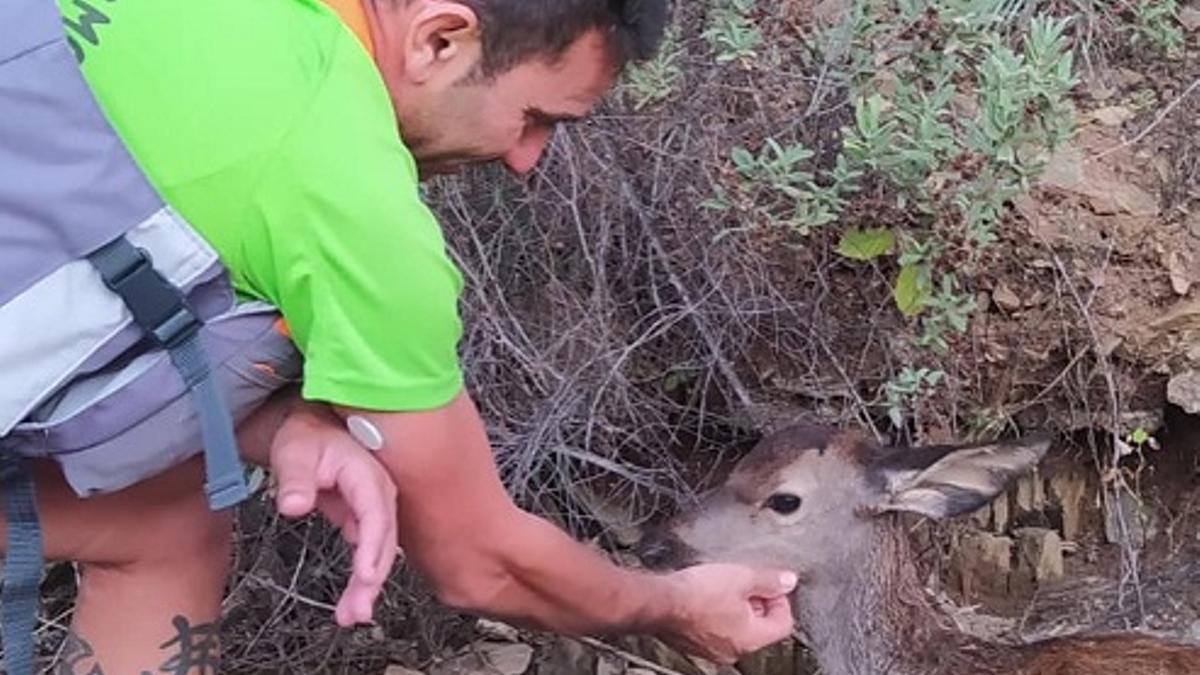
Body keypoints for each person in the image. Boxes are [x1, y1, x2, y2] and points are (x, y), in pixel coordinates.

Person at [20, 0, 799, 672]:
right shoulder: (354, 208)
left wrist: (279, 419)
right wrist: (671, 604)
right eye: (535, 120)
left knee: (165, 517)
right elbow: (481, 563)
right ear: (439, 40)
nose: (527, 162)